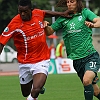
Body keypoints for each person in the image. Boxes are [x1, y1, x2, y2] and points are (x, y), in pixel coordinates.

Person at [0, 0, 72, 100]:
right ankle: (37, 87)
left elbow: (45, 13)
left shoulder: (37, 14)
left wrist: (62, 13)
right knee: (26, 93)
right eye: (20, 11)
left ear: (31, 10)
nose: (22, 14)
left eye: (25, 11)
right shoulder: (14, 23)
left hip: (42, 60)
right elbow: (1, 43)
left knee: (35, 90)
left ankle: (38, 87)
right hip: (24, 63)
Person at [44, 0, 100, 99]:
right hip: (77, 61)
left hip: (90, 56)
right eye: (68, 2)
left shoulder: (85, 12)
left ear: (78, 2)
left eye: (72, 1)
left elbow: (98, 20)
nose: (69, 4)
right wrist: (45, 26)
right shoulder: (63, 18)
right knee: (95, 91)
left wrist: (93, 25)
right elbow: (49, 31)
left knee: (87, 80)